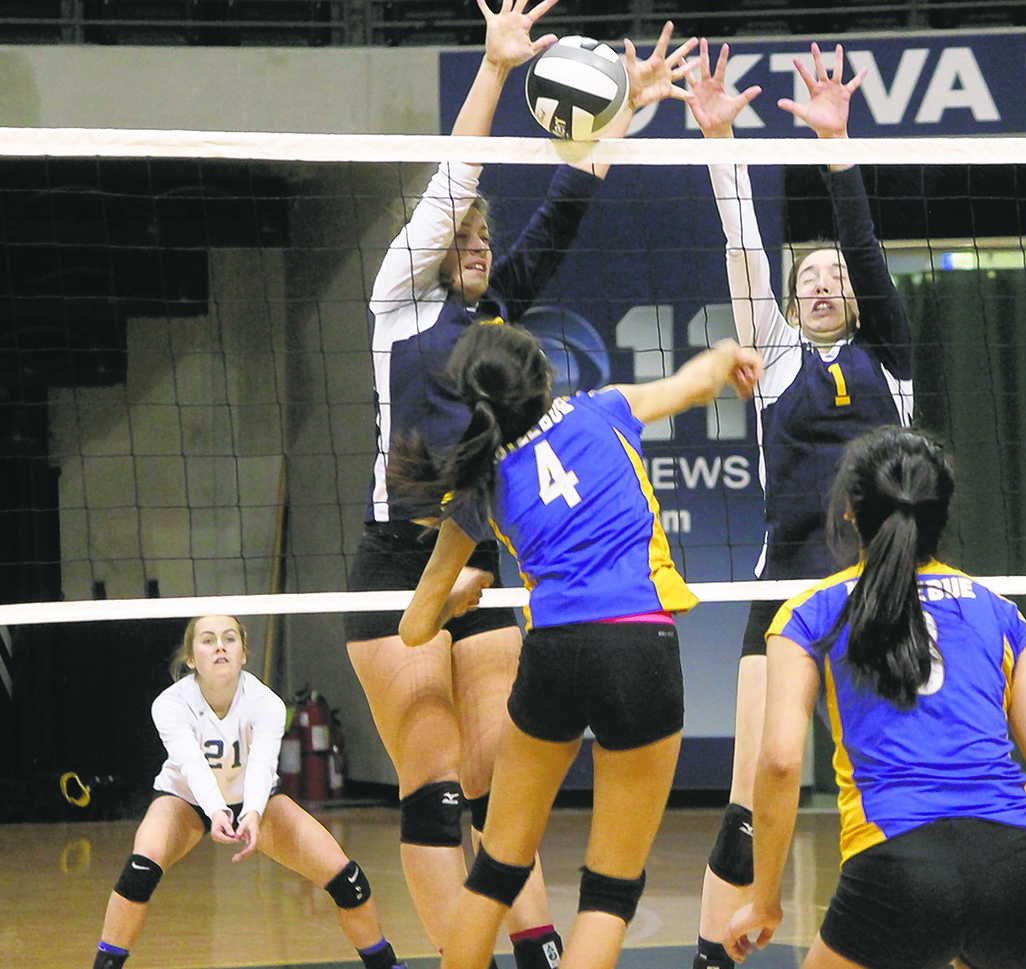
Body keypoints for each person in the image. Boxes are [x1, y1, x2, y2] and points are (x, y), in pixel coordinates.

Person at [344, 0, 695, 961]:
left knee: (505, 789)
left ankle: (534, 948)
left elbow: (568, 201)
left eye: (482, 242)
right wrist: (497, 68)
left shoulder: (495, 314)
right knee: (435, 787)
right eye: (463, 240)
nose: (479, 250)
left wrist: (624, 108)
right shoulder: (396, 307)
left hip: (482, 554)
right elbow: (458, 175)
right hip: (397, 560)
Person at [387, 323, 763, 969]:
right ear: (542, 377)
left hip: (554, 654)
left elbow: (415, 628)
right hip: (640, 647)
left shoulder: (481, 485)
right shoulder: (603, 408)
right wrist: (729, 354)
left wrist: (460, 594)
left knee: (496, 869)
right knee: (610, 886)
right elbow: (694, 382)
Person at [684, 40, 915, 969]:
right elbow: (743, 244)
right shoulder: (772, 358)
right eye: (807, 278)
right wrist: (718, 142)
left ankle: (908, 938)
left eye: (835, 280)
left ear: (854, 303)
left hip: (876, 591)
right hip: (782, 587)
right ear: (790, 301)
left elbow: (861, 245)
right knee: (747, 792)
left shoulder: (888, 363)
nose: (822, 283)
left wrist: (837, 146)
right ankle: (711, 954)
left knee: (893, 783)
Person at [723, 425, 1026, 969]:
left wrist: (764, 900)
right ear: (941, 512)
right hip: (1015, 863)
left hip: (896, 863)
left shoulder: (809, 614)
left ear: (847, 510)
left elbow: (779, 761)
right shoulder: (1000, 612)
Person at [90, 616, 408, 969]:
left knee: (349, 882)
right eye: (208, 640)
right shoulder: (170, 704)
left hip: (257, 800)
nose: (220, 647)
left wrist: (253, 812)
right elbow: (193, 765)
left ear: (243, 653)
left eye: (229, 639)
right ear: (191, 658)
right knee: (140, 870)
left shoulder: (265, 702)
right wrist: (216, 811)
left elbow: (262, 766)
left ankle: (386, 966)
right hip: (186, 800)